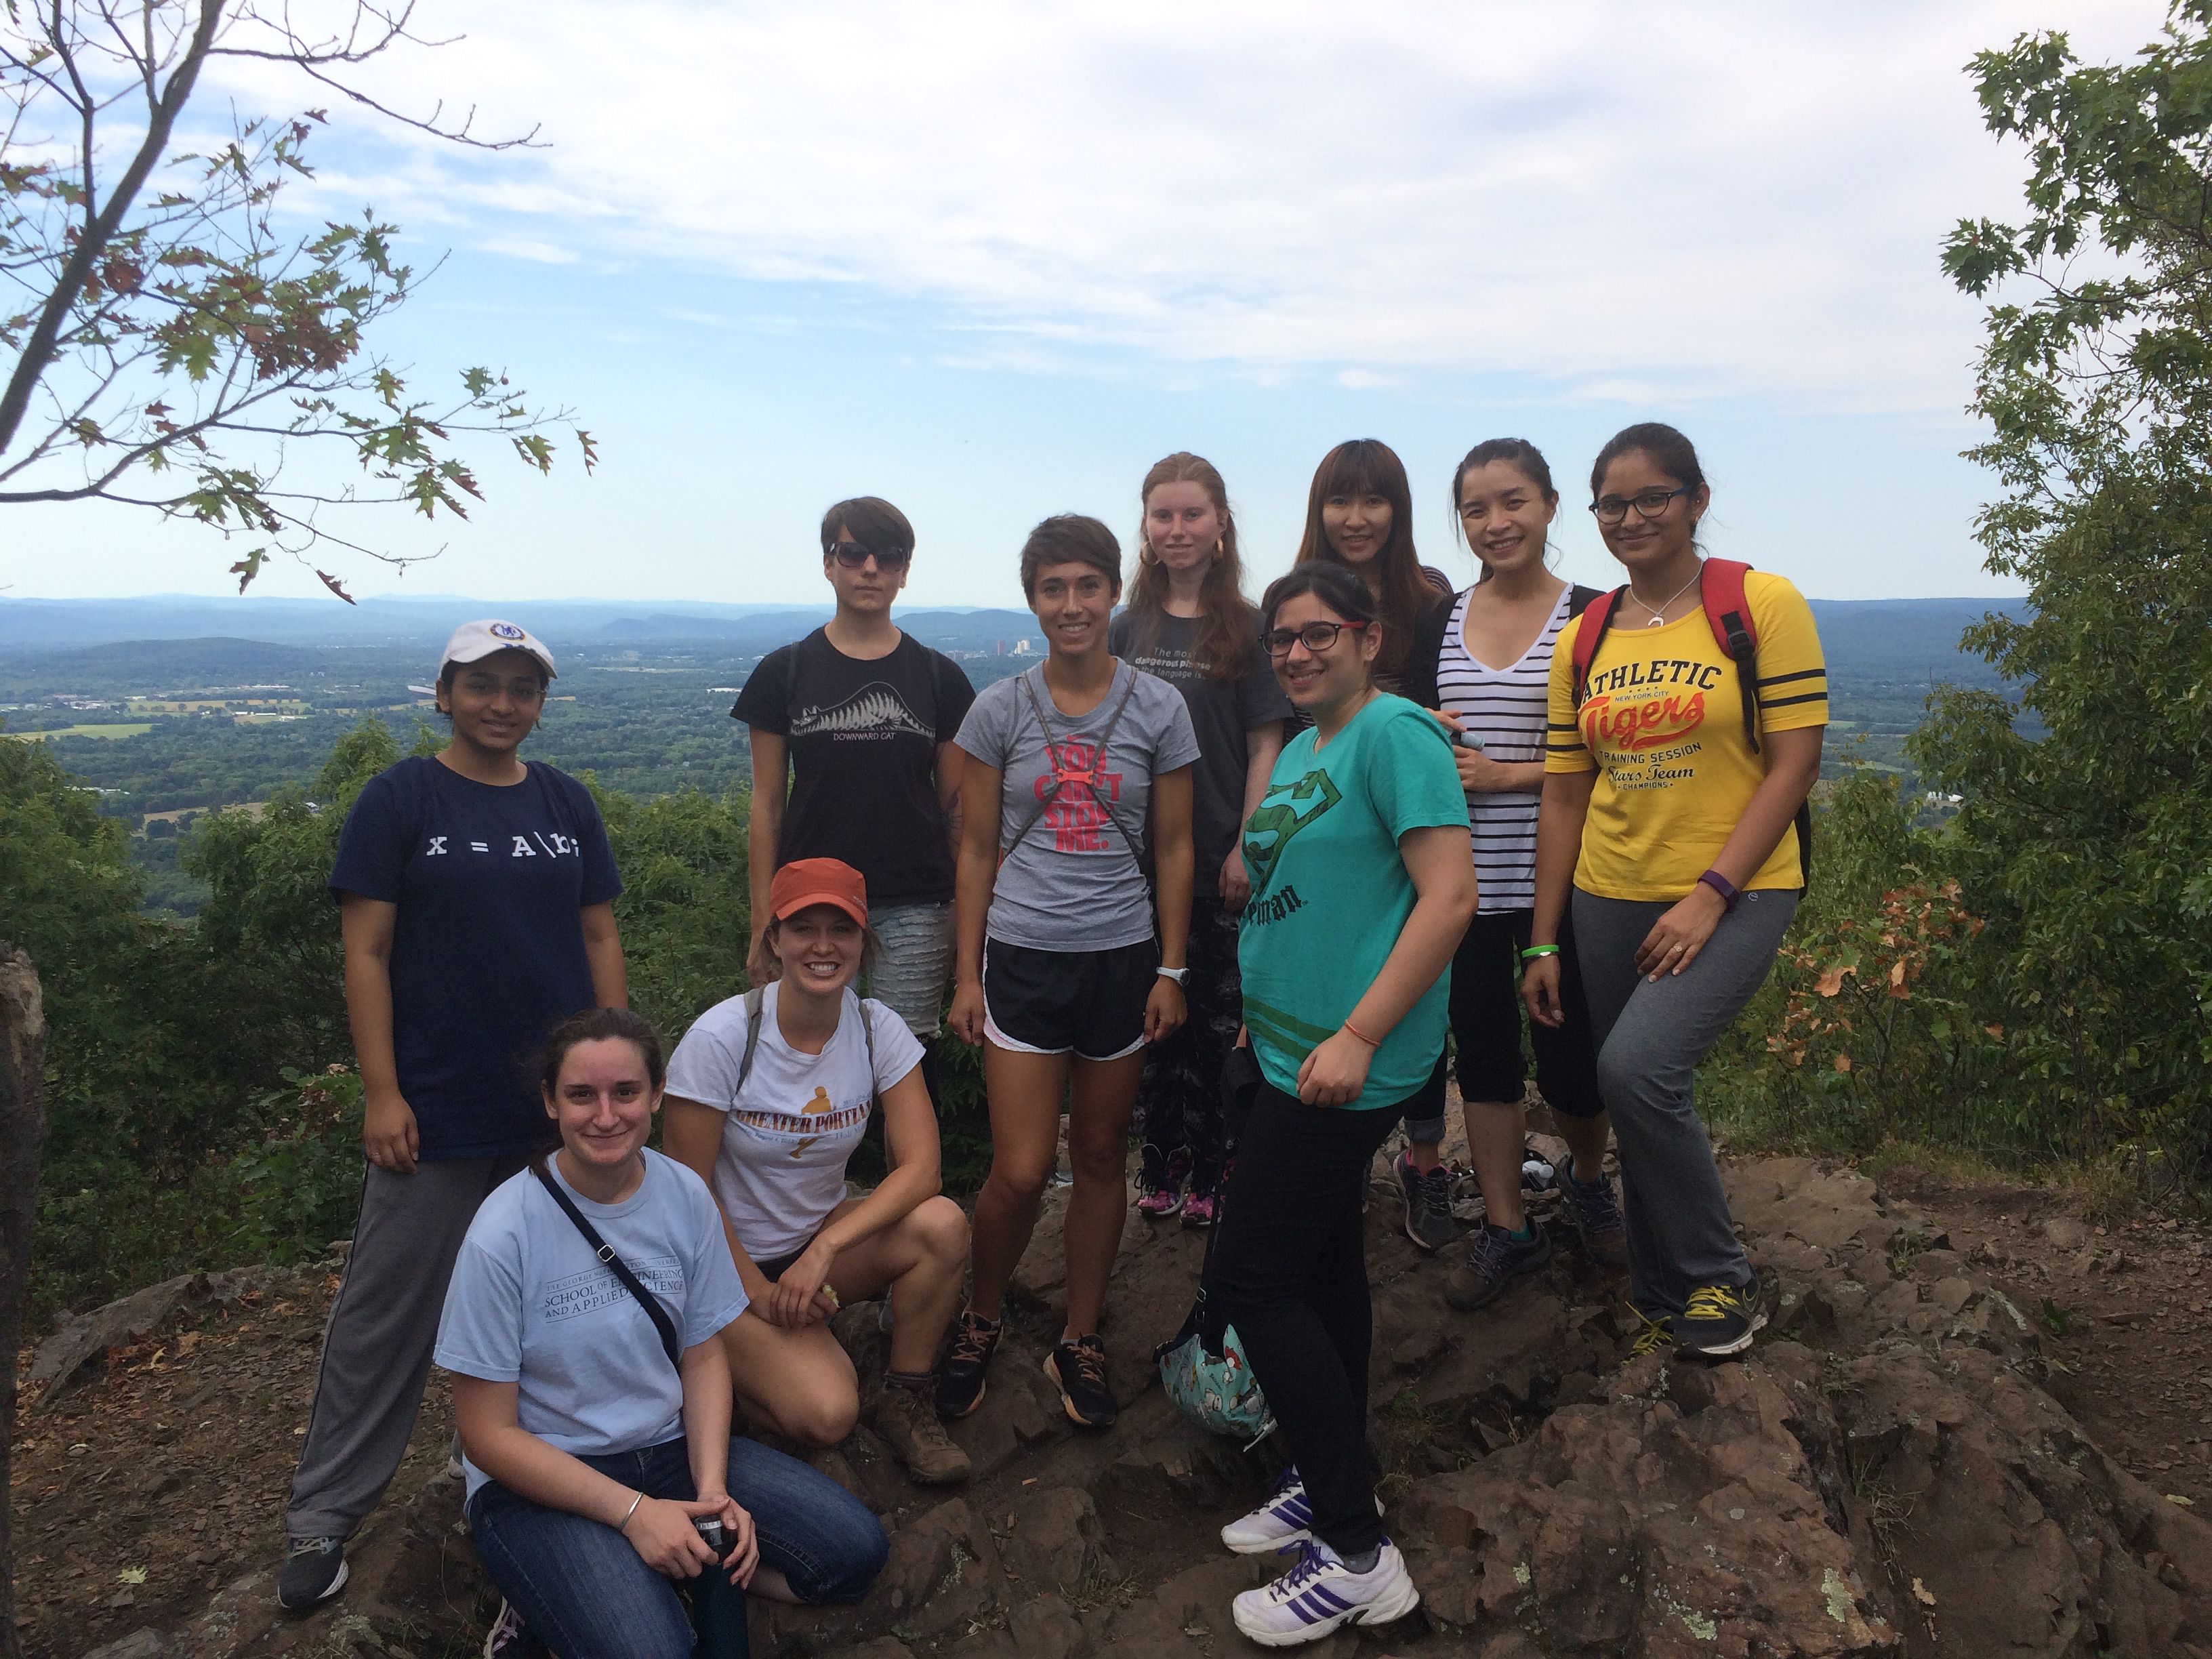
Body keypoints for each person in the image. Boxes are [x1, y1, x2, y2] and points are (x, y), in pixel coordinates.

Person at [279, 619, 627, 1614]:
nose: (504, 703)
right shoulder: (400, 800)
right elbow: (367, 954)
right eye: (484, 684)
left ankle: (554, 1488)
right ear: (444, 692)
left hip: (555, 1113)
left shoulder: (566, 802)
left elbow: (598, 931)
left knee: (561, 1306)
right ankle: (324, 1515)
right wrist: (382, 1092)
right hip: (434, 1104)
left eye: (523, 687)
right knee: (387, 1308)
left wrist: (616, 1071)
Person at [438, 1007, 888, 1659]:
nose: (606, 1115)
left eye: (625, 1092)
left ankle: (648, 1570)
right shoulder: (503, 1233)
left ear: (655, 1095)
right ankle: (554, 1594)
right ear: (550, 1102)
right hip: (549, 1479)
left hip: (669, 1451)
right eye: (581, 1096)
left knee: (855, 1554)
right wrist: (633, 1514)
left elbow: (704, 1355)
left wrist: (711, 1496)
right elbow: (486, 1435)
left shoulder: (684, 1196)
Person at [1210, 561, 1478, 1646]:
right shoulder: (1316, 745)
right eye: (1283, 639)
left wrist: (1359, 1034)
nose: (1299, 652)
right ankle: (1330, 1478)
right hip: (1286, 1050)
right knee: (1323, 1269)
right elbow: (1304, 895)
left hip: (1349, 1059)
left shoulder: (1395, 736)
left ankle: (1361, 1555)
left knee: (1250, 1279)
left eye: (1320, 634)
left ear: (1370, 640)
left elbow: (1450, 896)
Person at [1527, 422, 1826, 1360]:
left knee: (1638, 1071)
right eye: (1612, 504)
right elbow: (1567, 793)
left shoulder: (1758, 601)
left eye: (1654, 496)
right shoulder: (1584, 637)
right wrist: (1542, 941)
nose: (1632, 517)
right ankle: (1663, 1296)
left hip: (1736, 887)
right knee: (1638, 1088)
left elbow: (1795, 762)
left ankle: (1720, 1279)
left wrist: (1712, 893)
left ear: (1696, 498)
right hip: (1607, 894)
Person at [941, 514, 1200, 1429]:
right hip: (1023, 953)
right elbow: (975, 849)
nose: (1073, 605)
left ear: (1112, 592)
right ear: (1033, 599)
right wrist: (966, 977)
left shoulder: (1158, 707)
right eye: (1054, 588)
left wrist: (1172, 966)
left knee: (1097, 1155)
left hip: (1123, 957)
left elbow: (1175, 845)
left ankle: (1080, 1334)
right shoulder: (1000, 707)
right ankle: (978, 1314)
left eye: (1089, 586)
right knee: (1018, 1169)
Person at [661, 857, 975, 1485]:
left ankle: (906, 1398)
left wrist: (825, 1249)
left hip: (814, 1243)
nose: (824, 946)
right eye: (804, 927)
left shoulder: (874, 1026)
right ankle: (713, 1386)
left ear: (865, 941)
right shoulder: (724, 1038)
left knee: (942, 1226)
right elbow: (683, 1195)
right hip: (722, 1265)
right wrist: (759, 1294)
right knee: (828, 1413)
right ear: (774, 939)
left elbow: (922, 1171)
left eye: (843, 928)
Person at [1403, 438, 1626, 1308]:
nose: (1495, 523)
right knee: (1485, 1055)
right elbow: (1413, 739)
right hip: (1460, 882)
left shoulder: (1599, 617)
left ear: (1549, 505)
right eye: (1475, 509)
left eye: (1513, 502)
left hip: (1565, 881)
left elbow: (1623, 751)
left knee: (1574, 1059)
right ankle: (1506, 1226)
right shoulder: (1441, 621)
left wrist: (1508, 775)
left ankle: (1587, 1173)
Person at [735, 497, 977, 1097]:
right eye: (853, 553)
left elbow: (959, 811)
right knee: (804, 1053)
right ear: (828, 564)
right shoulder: (784, 672)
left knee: (906, 1063)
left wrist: (971, 918)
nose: (870, 568)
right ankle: (813, 1185)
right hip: (810, 897)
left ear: (904, 569)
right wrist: (762, 914)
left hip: (916, 897)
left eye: (887, 556)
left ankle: (908, 1182)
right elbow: (766, 804)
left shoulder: (938, 676)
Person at [1110, 452, 1290, 1229]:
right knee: (1152, 1025)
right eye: (1163, 516)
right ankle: (1163, 1160)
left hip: (1220, 856)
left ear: (1221, 525)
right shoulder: (1124, 628)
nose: (1177, 529)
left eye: (1192, 514)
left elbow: (1264, 743)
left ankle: (1220, 1166)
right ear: (1146, 528)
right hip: (1135, 868)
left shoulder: (1249, 629)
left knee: (1220, 1020)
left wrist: (1248, 843)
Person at [1292, 437, 1460, 1244]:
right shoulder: (1297, 596)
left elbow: (1441, 707)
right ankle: (1344, 1154)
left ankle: (1425, 1160)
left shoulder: (1429, 599)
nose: (1356, 519)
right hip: (1329, 824)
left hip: (1412, 813)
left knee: (1416, 976)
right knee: (1339, 973)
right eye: (1340, 500)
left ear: (1400, 509)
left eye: (1374, 500)